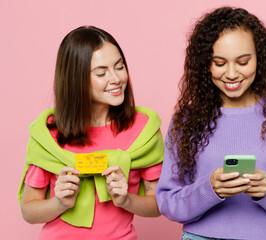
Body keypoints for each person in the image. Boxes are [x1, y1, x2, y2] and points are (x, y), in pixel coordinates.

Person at [156, 7, 266, 240]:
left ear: (259, 59)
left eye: (242, 62)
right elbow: (167, 202)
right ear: (205, 64)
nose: (231, 74)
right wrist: (209, 190)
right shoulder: (186, 122)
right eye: (219, 63)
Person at [18, 26, 164, 240]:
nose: (115, 79)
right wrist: (59, 202)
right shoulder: (48, 135)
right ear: (76, 79)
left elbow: (157, 205)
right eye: (101, 73)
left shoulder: (144, 131)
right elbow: (28, 211)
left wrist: (125, 200)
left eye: (120, 66)